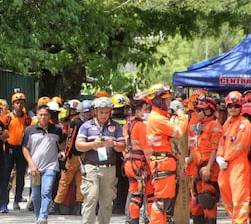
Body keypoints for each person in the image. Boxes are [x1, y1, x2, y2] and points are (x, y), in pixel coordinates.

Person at [75, 96, 126, 224]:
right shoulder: (86, 126)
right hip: (91, 167)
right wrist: (92, 145)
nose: (104, 115)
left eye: (107, 112)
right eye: (101, 112)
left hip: (109, 168)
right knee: (91, 197)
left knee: (107, 202)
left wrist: (113, 143)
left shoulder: (116, 127)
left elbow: (122, 147)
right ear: (95, 111)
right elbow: (78, 145)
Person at [145, 83, 188, 224]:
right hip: (162, 162)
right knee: (162, 201)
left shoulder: (158, 116)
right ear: (158, 100)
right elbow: (178, 131)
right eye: (166, 98)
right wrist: (182, 115)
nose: (169, 102)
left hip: (163, 161)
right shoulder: (157, 118)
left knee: (165, 200)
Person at [22, 104, 65, 224]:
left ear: (49, 116)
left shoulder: (56, 130)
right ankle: (38, 218)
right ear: (37, 115)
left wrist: (62, 153)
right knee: (36, 195)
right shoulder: (29, 130)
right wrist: (31, 164)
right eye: (41, 115)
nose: (43, 117)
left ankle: (43, 217)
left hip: (51, 166)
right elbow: (25, 148)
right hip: (35, 168)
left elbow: (61, 146)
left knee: (46, 191)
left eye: (46, 115)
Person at [216, 91, 251, 224]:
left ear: (241, 107)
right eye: (230, 106)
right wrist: (219, 157)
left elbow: (240, 145)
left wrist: (225, 158)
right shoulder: (227, 124)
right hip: (225, 166)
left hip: (238, 165)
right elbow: (221, 142)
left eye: (236, 106)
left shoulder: (244, 124)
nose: (233, 109)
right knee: (227, 198)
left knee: (239, 200)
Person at [187, 96, 223, 224]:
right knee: (196, 206)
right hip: (198, 170)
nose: (196, 113)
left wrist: (208, 168)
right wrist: (188, 162)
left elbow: (215, 149)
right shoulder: (201, 127)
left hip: (209, 169)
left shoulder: (214, 126)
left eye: (199, 110)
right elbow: (196, 148)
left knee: (208, 201)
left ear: (208, 111)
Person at [50, 99, 84, 215]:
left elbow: (70, 140)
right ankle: (79, 206)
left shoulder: (74, 123)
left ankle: (56, 205)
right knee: (80, 181)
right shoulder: (81, 122)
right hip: (82, 156)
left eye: (69, 110)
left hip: (73, 157)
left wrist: (66, 156)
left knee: (64, 181)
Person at [123, 96, 154, 224]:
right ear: (137, 112)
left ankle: (133, 221)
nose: (147, 112)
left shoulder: (128, 124)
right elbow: (147, 150)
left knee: (135, 195)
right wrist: (153, 167)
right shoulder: (141, 126)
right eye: (145, 110)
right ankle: (153, 220)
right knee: (150, 195)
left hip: (129, 163)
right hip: (140, 164)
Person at [2, 92, 32, 210]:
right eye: (17, 103)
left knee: (20, 176)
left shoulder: (27, 119)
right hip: (9, 148)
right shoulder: (8, 118)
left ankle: (17, 199)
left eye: (21, 103)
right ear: (13, 104)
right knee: (5, 175)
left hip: (22, 149)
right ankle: (4, 200)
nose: (19, 105)